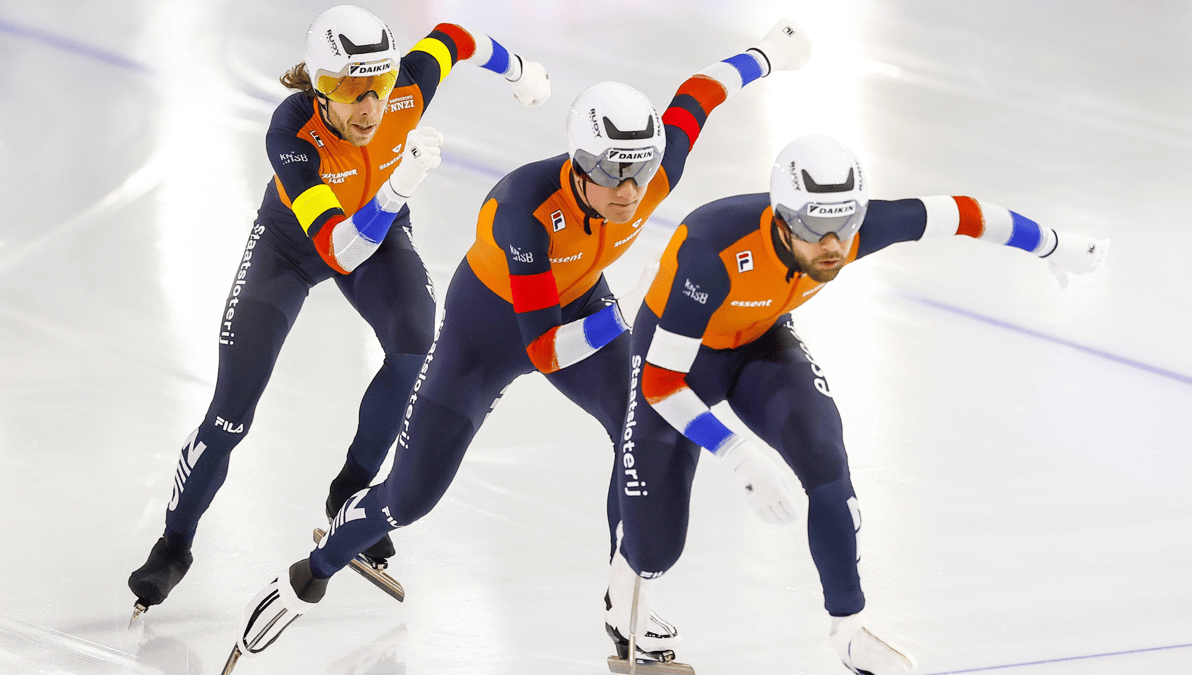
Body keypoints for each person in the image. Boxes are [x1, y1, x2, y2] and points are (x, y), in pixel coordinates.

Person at [225, 19, 816, 663]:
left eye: (641, 172)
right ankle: (312, 570)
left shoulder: (651, 170)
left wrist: (767, 55)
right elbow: (545, 350)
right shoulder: (523, 211)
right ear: (579, 167)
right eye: (614, 174)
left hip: (581, 301)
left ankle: (630, 604)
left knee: (642, 428)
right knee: (410, 498)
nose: (630, 192)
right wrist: (631, 318)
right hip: (492, 333)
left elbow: (701, 93)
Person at [607, 134, 1110, 674]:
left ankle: (849, 632)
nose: (832, 246)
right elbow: (661, 384)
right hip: (678, 355)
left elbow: (959, 213)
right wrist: (737, 454)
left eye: (843, 228)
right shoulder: (712, 252)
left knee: (824, 454)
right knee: (656, 548)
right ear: (780, 221)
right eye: (814, 230)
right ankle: (624, 590)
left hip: (761, 341)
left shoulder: (852, 228)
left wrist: (1052, 245)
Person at [127, 4, 550, 619]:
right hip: (295, 245)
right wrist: (398, 187)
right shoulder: (291, 131)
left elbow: (455, 39)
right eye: (352, 92)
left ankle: (352, 487)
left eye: (378, 88)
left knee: (415, 339)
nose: (370, 107)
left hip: (378, 233)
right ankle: (173, 543)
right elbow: (337, 249)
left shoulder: (405, 85)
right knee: (230, 416)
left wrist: (518, 70)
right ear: (320, 89)